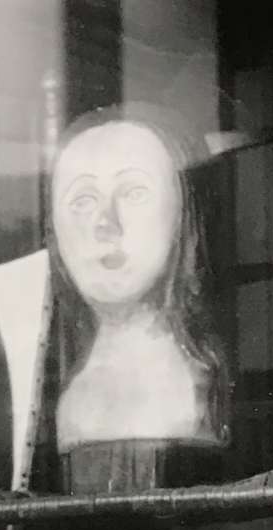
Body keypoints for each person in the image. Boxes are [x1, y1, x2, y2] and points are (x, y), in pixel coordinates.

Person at [50, 107, 227, 469]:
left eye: (133, 192)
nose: (105, 223)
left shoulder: (195, 382)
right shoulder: (72, 393)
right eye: (82, 200)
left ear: (182, 216)